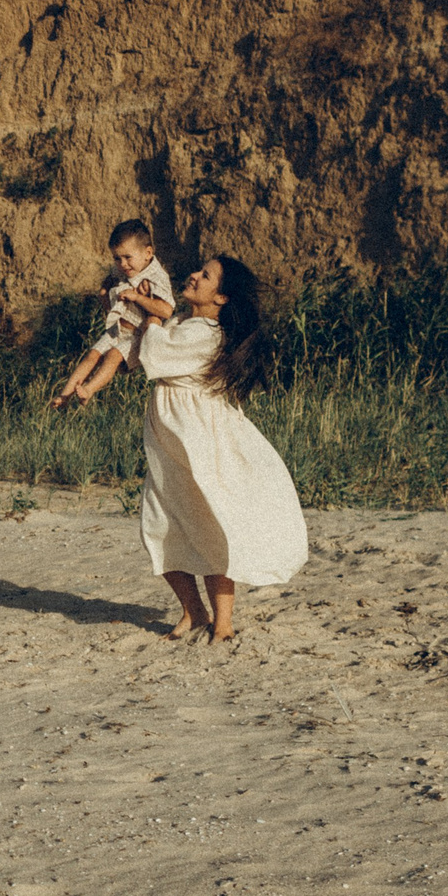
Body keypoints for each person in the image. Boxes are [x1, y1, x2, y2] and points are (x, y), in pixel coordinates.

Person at [135, 254, 307, 640]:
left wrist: (151, 315)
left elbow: (152, 353)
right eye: (198, 270)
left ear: (222, 297)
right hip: (170, 446)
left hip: (197, 445)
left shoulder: (205, 333)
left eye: (206, 275)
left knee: (210, 525)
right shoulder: (185, 324)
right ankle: (193, 612)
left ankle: (223, 621)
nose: (194, 275)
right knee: (161, 525)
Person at [50, 218, 174, 408]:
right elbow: (110, 281)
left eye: (127, 257)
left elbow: (166, 310)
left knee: (113, 356)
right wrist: (104, 292)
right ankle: (64, 396)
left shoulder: (156, 276)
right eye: (117, 258)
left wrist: (138, 298)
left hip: (137, 335)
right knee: (91, 356)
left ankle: (89, 390)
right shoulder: (124, 270)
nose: (123, 264)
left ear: (148, 253)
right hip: (117, 329)